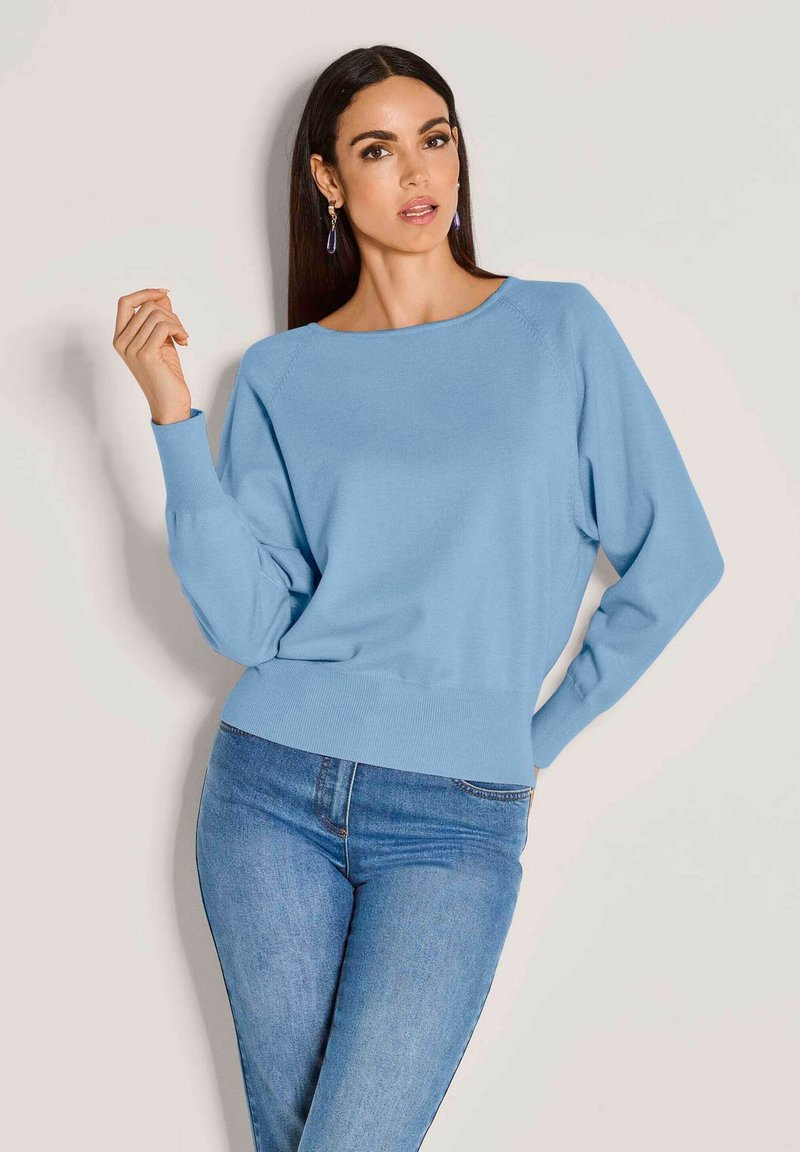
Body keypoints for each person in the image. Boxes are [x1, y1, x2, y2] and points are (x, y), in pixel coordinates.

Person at [113, 44, 724, 1152]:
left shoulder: (557, 331)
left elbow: (677, 558)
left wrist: (534, 739)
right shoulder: (282, 374)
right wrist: (171, 420)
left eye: (434, 138)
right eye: (376, 148)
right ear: (327, 180)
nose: (416, 171)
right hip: (267, 792)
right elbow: (247, 625)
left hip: (456, 813)